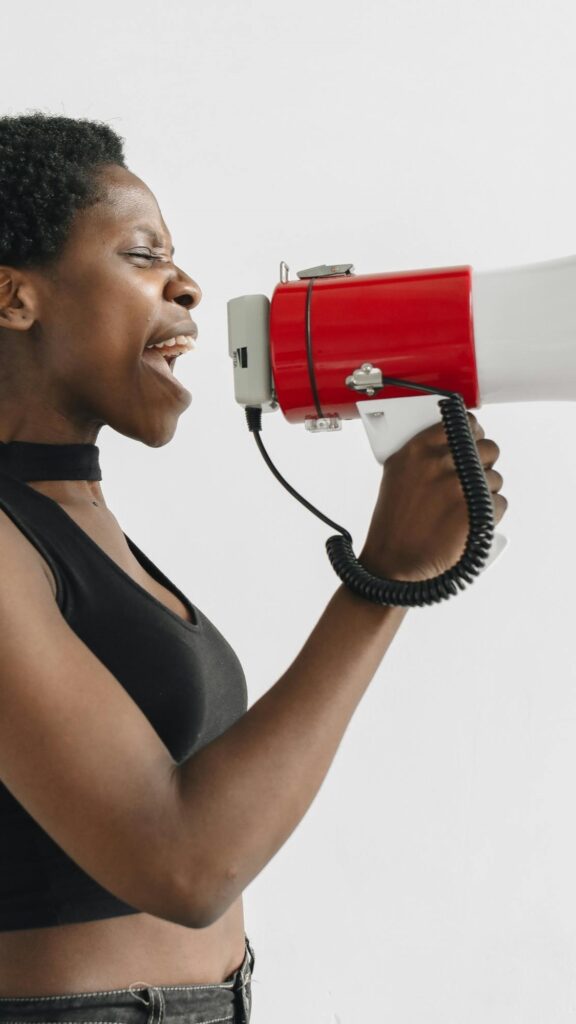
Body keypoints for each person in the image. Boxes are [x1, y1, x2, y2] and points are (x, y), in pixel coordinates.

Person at [0, 112, 507, 1024]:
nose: (188, 285)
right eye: (143, 255)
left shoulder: (74, 518)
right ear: (13, 298)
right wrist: (382, 580)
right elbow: (184, 865)